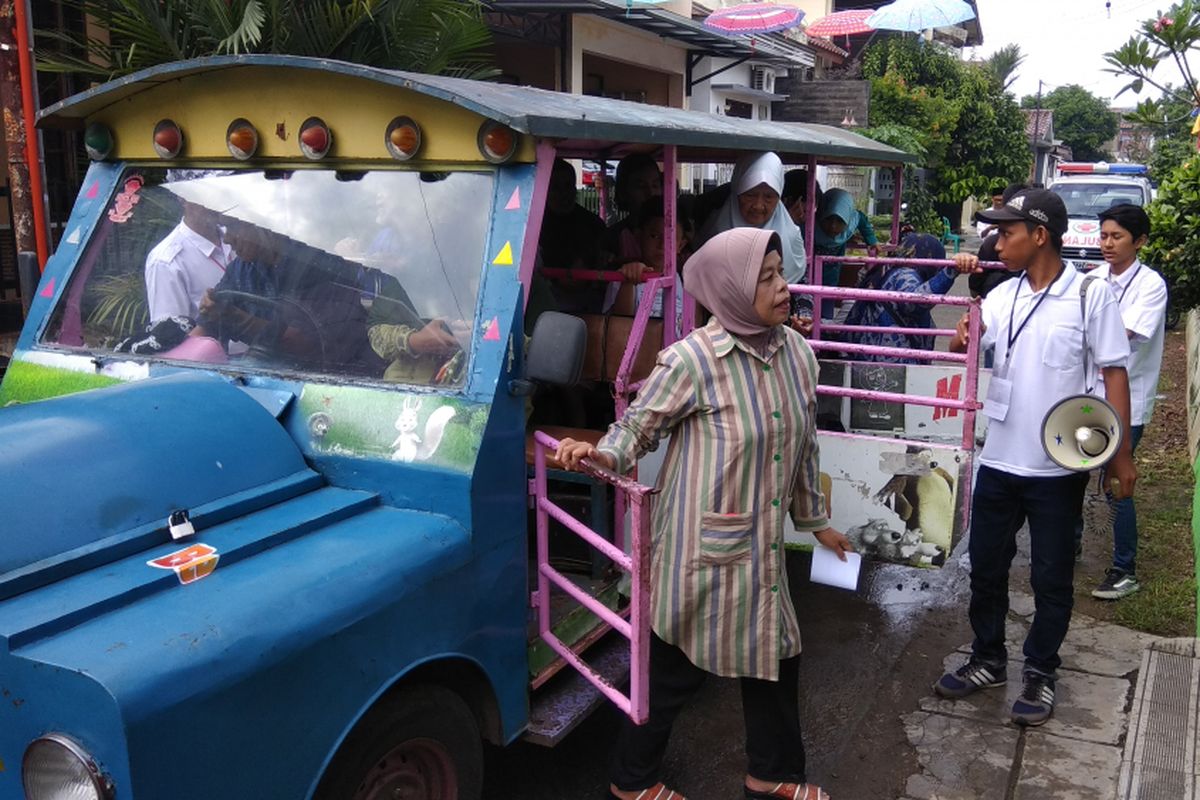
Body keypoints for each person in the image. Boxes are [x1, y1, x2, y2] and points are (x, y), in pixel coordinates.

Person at [555, 227, 852, 800]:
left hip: (759, 547)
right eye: (765, 278)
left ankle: (772, 776)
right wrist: (600, 452)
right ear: (731, 290)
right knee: (674, 669)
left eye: (780, 272)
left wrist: (818, 523)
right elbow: (638, 429)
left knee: (776, 654)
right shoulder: (693, 360)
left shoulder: (796, 354)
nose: (782, 287)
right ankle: (631, 781)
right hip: (700, 548)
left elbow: (805, 445)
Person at [934, 189, 1136, 728]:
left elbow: (1114, 372)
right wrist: (961, 338)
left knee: (1051, 579)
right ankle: (988, 660)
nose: (997, 241)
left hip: (1055, 469)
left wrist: (1121, 459)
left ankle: (1041, 671)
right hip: (998, 461)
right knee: (986, 569)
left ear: (1039, 235)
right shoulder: (1001, 297)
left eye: (1007, 231)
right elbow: (968, 352)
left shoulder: (1091, 297)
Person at [1087, 204, 1167, 600]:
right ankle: (1066, 549)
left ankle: (1124, 568)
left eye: (1116, 237)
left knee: (1117, 480)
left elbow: (1127, 333)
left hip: (1127, 399)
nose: (1107, 244)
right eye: (1103, 236)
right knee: (1069, 472)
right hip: (1087, 395)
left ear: (1140, 241)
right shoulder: (1093, 278)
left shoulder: (1151, 286)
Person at [841, 233, 975, 363]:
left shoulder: (886, 268)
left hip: (870, 356)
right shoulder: (905, 273)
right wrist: (949, 272)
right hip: (891, 363)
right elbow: (913, 303)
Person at [695, 152, 807, 284]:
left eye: (768, 197)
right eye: (750, 195)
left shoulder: (791, 237)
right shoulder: (714, 233)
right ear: (737, 191)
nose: (758, 206)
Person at [537, 158, 609, 313]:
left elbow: (604, 261)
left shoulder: (594, 224)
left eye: (568, 186)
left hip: (590, 298)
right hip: (549, 297)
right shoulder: (534, 226)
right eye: (555, 187)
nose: (563, 194)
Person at [144, 199, 234, 321]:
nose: (213, 200)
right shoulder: (165, 262)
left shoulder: (239, 236)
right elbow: (170, 334)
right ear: (182, 198)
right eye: (204, 194)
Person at [606, 195, 688, 318]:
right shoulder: (621, 277)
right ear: (638, 237)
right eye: (654, 236)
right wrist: (628, 283)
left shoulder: (685, 281)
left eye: (670, 238)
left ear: (680, 245)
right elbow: (620, 325)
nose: (662, 245)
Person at [812, 188, 879, 318]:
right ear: (821, 213)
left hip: (831, 279)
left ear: (847, 220)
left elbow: (861, 219)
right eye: (829, 219)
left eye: (840, 221)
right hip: (808, 278)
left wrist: (872, 241)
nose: (833, 226)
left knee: (826, 317)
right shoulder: (809, 226)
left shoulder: (848, 227)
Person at [604, 154, 664, 263]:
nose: (650, 193)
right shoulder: (611, 238)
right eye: (641, 186)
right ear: (623, 192)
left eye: (655, 185)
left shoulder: (674, 230)